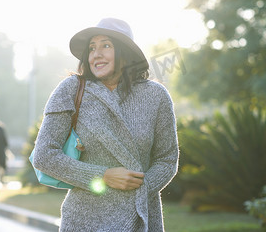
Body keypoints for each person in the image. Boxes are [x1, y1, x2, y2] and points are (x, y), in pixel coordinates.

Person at [32, 18, 179, 231]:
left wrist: (138, 188)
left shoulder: (156, 96)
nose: (96, 54)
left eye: (106, 46)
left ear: (125, 53)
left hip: (140, 217)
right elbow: (44, 155)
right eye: (92, 48)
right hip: (84, 220)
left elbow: (167, 159)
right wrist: (104, 176)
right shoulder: (71, 89)